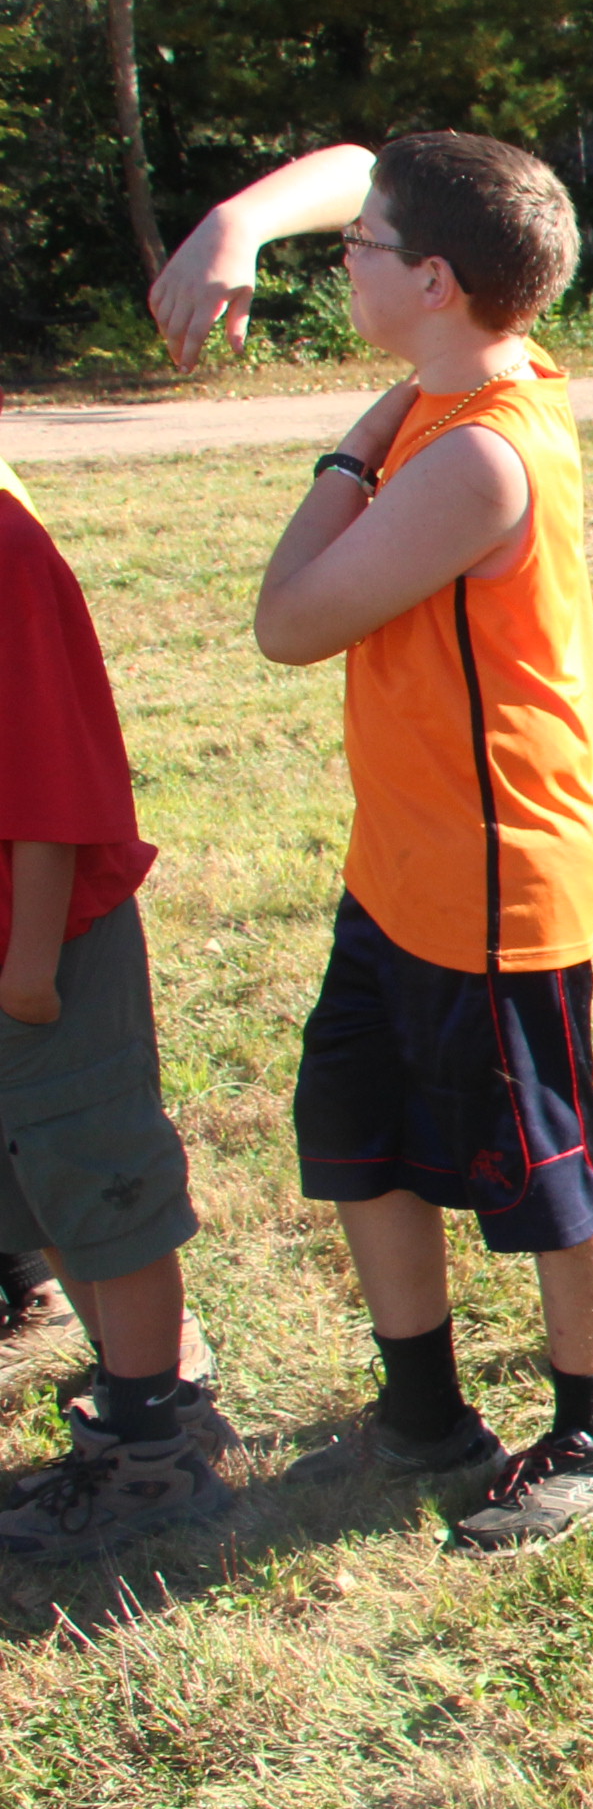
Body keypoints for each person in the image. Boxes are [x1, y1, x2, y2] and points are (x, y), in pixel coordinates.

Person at [153, 133, 593, 1553]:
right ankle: (424, 1413)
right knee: (355, 1130)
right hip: (407, 863)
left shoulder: (476, 452)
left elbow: (289, 622)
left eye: (363, 248)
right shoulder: (464, 379)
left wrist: (347, 451)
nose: (347, 258)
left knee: (547, 1168)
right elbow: (365, 160)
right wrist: (238, 224)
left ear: (436, 282)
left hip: (497, 874)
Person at [0, 461, 225, 1561]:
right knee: (44, 1188)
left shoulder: (6, 549)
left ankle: (152, 1452)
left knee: (103, 1183)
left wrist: (30, 965)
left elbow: (50, 782)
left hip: (39, 952)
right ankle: (143, 1397)